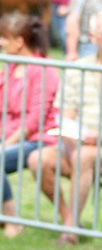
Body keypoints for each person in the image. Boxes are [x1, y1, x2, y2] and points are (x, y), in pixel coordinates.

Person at [27, 8, 102, 245]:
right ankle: (70, 219)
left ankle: (69, 232)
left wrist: (96, 139)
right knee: (38, 160)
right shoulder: (78, 67)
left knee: (84, 157)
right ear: (92, 37)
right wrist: (72, 137)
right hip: (75, 143)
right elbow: (66, 112)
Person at [0, 14, 59, 238]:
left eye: (4, 38)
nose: (1, 43)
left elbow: (35, 120)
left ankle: (12, 219)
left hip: (36, 139)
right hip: (8, 135)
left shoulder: (43, 70)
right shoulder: (10, 68)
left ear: (19, 42)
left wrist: (7, 143)